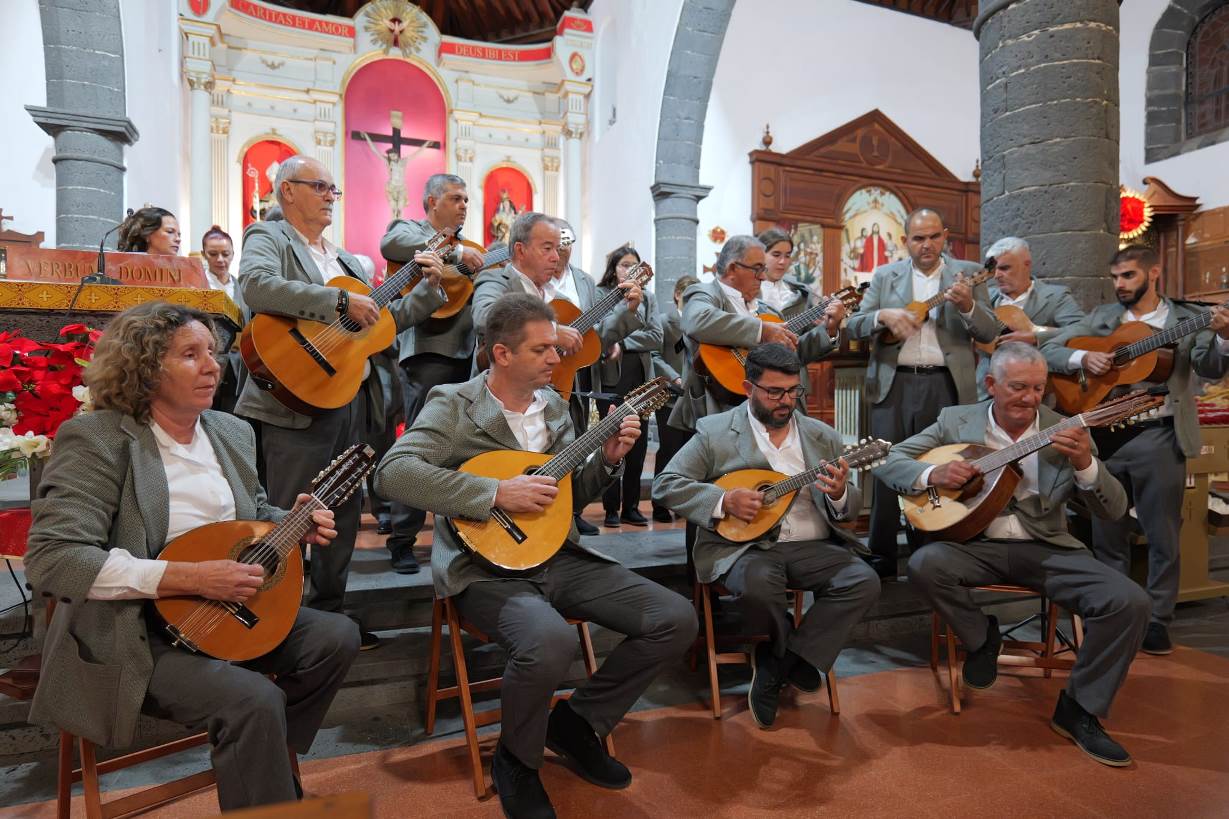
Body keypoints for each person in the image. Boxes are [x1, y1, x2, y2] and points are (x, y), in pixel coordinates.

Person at [24, 301, 357, 810]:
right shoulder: (99, 439)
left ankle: (262, 760)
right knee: (254, 700)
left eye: (213, 353)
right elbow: (55, 558)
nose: (212, 366)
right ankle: (265, 778)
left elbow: (246, 512)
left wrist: (291, 523)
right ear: (144, 367)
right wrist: (189, 578)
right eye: (189, 354)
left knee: (336, 636)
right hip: (134, 631)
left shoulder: (230, 431)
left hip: (226, 617)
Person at [375, 294, 696, 819]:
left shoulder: (554, 405)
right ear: (502, 353)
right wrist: (493, 493)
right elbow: (394, 473)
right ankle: (517, 761)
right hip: (482, 568)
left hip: (555, 555)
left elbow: (566, 495)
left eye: (555, 346)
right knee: (549, 639)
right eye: (542, 348)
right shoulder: (453, 402)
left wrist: (609, 461)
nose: (556, 356)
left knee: (674, 618)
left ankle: (576, 722)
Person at [873, 343, 1148, 766]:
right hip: (974, 545)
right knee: (924, 565)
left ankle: (1080, 708)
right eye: (1018, 387)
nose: (1029, 398)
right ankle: (982, 637)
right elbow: (890, 461)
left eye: (1038, 388)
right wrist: (933, 473)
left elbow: (1112, 509)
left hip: (1047, 548)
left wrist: (1086, 465)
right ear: (991, 385)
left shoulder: (1067, 428)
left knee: (1129, 602)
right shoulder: (955, 420)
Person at [234, 155, 445, 649]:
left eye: (335, 189)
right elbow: (256, 287)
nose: (331, 195)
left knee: (342, 511)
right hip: (293, 395)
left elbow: (380, 327)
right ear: (287, 191)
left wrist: (430, 288)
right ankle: (272, 620)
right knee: (286, 513)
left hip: (351, 398)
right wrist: (337, 302)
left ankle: (327, 616)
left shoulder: (351, 261)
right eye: (321, 186)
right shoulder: (269, 237)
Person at [653, 343, 879, 729]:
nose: (785, 401)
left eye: (793, 391)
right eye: (774, 392)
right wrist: (723, 500)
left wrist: (841, 493)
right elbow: (666, 485)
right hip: (743, 547)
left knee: (863, 580)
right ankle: (786, 656)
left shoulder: (822, 436)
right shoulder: (715, 432)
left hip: (812, 545)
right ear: (748, 387)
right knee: (759, 583)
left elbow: (850, 508)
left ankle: (781, 660)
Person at [1041, 244, 1229, 654]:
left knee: (1163, 533)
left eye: (1127, 276)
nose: (1119, 285)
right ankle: (1114, 612)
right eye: (1115, 278)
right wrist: (1082, 357)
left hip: (1157, 434)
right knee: (1108, 534)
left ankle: (1158, 620)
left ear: (1154, 273)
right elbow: (1047, 349)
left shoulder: (1183, 319)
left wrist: (1223, 337)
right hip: (1105, 436)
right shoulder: (1104, 318)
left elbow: (1210, 367)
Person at [845, 208, 998, 579]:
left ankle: (935, 551)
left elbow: (990, 330)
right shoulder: (885, 276)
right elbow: (853, 325)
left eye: (933, 237)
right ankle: (881, 556)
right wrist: (883, 316)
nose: (926, 245)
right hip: (894, 384)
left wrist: (967, 305)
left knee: (940, 464)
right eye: (918, 238)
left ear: (945, 236)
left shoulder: (967, 272)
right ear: (904, 241)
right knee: (884, 466)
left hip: (947, 385)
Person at [471, 212, 645, 537]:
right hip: (500, 406)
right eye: (547, 248)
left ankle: (553, 535)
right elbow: (486, 318)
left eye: (559, 248)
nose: (557, 257)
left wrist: (627, 312)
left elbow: (587, 344)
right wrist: (553, 330)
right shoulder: (497, 280)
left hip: (549, 400)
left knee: (553, 475)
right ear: (520, 250)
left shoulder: (553, 295)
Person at [378, 174, 486, 572]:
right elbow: (391, 244)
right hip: (427, 355)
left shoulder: (474, 248)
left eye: (466, 200)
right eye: (455, 198)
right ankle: (403, 539)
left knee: (461, 450)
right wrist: (456, 256)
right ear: (431, 202)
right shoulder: (409, 230)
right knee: (419, 447)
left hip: (470, 357)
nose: (463, 206)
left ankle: (458, 535)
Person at [669, 234, 844, 433]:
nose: (762, 276)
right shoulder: (704, 293)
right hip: (715, 411)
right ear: (733, 268)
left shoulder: (767, 311)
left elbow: (793, 354)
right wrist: (762, 331)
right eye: (757, 269)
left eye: (763, 269)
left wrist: (828, 330)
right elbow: (697, 320)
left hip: (763, 412)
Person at [594, 245, 663, 527]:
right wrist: (621, 329)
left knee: (638, 444)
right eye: (624, 264)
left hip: (640, 378)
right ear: (614, 268)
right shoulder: (601, 295)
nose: (630, 270)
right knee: (612, 440)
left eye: (635, 265)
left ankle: (631, 507)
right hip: (611, 377)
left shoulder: (649, 297)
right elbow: (599, 334)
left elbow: (656, 336)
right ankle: (610, 509)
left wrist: (621, 341)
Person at [974, 236, 1085, 398]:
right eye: (994, 270)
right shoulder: (984, 298)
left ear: (1026, 265)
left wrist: (1036, 337)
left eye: (1004, 268)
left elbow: (1083, 331)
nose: (997, 275)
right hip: (987, 393)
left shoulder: (1056, 296)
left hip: (1037, 394)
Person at [650, 274, 698, 523]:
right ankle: (659, 504)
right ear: (678, 294)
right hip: (671, 397)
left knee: (689, 453)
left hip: (695, 399)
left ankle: (682, 503)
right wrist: (674, 379)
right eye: (688, 293)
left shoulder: (700, 323)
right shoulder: (665, 322)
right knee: (668, 450)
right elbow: (655, 356)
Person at [201, 225, 247, 415]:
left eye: (225, 254)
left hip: (235, 368)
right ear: (204, 254)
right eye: (213, 254)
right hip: (205, 362)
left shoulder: (242, 287)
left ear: (233, 254)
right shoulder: (197, 284)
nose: (220, 260)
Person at [757, 227, 812, 320]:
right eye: (776, 255)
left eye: (787, 256)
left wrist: (830, 328)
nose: (783, 261)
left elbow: (811, 333)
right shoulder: (746, 292)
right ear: (761, 254)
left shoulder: (801, 294)